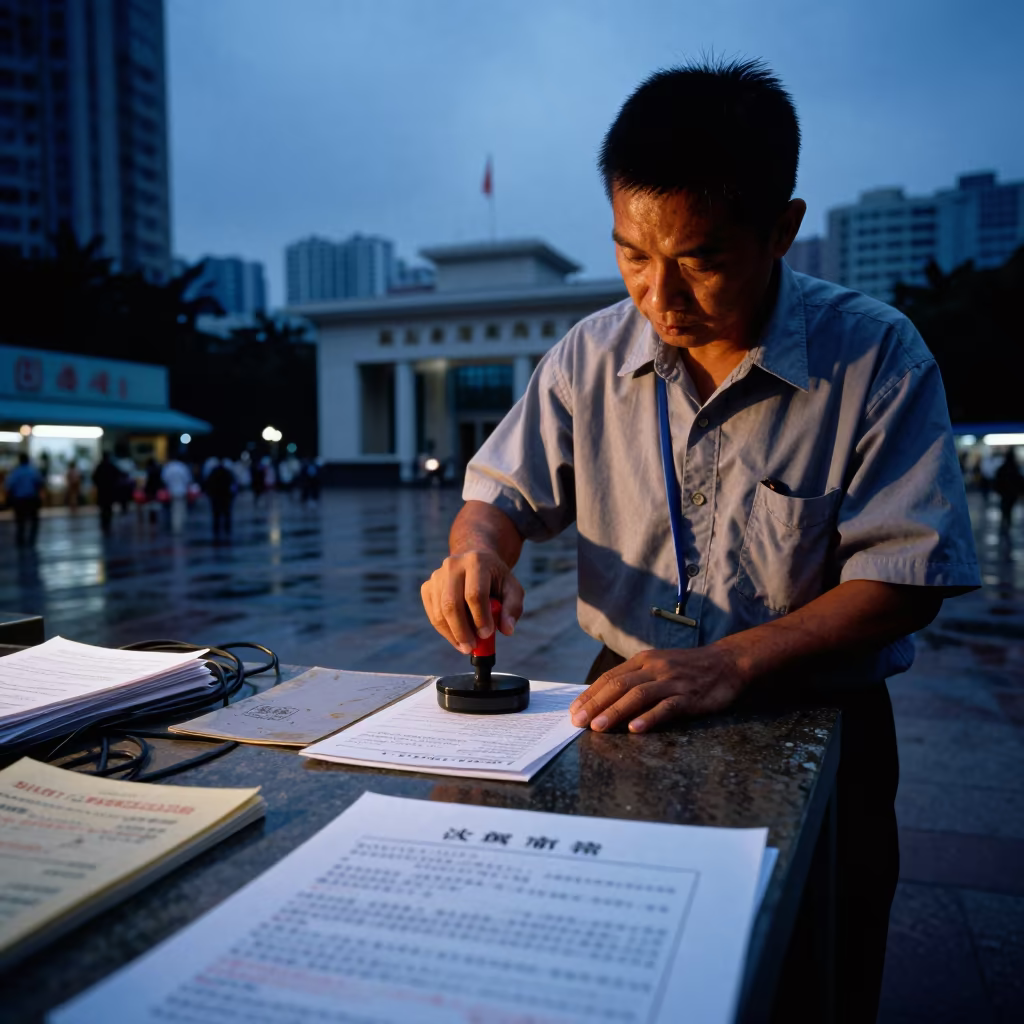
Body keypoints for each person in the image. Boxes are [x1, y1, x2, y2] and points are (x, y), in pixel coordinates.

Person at [420, 60, 980, 1022]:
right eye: (632, 254)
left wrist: (734, 662)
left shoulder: (875, 355)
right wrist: (479, 550)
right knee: (623, 976)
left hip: (819, 708)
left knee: (813, 974)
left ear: (783, 230)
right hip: (627, 693)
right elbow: (498, 496)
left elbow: (904, 573)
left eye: (701, 259)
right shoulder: (589, 355)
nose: (659, 296)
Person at [5, 453, 44, 547]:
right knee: (34, 521)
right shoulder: (33, 471)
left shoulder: (16, 472)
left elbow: (9, 486)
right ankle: (31, 540)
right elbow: (40, 484)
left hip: (19, 500)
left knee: (20, 522)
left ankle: (20, 540)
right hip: (31, 499)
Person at [204, 457, 236, 541]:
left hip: (216, 497)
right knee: (226, 514)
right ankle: (227, 529)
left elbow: (208, 484)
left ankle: (216, 530)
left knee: (216, 515)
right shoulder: (227, 473)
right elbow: (233, 484)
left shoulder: (213, 473)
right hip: (225, 497)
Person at [161, 453, 193, 535]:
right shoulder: (182, 467)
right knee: (180, 509)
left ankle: (175, 527)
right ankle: (178, 527)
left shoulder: (168, 467)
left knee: (173, 510)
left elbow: (164, 479)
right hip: (181, 490)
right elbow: (188, 479)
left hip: (170, 490)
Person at [993, 450, 1023, 533]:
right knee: (1009, 509)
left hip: (1004, 493)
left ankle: (1004, 524)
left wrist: (998, 490)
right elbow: (1020, 481)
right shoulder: (1015, 468)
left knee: (1005, 509)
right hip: (1012, 493)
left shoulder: (1002, 468)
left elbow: (997, 481)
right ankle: (1007, 524)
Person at [92, 452, 121, 536]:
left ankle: (104, 523)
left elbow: (94, 477)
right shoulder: (111, 466)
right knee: (108, 508)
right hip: (109, 491)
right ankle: (107, 523)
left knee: (103, 508)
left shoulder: (100, 466)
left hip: (102, 491)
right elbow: (118, 475)